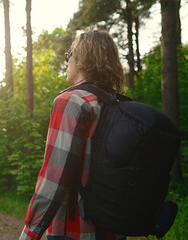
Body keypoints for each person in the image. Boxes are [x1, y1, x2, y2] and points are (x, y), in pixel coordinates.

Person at [19, 30, 126, 240]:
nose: (66, 61)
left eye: (69, 54)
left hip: (74, 231)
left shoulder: (71, 101)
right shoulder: (118, 104)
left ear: (83, 59)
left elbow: (55, 177)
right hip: (113, 230)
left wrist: (30, 233)